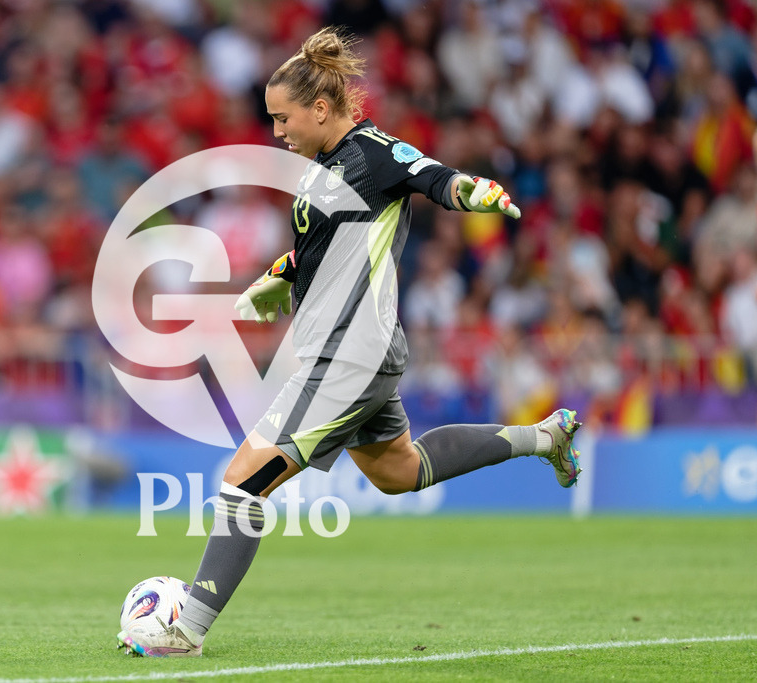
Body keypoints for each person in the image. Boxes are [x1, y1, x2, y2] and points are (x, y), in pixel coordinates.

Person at [117, 28, 582, 658]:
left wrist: (476, 193)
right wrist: (277, 279)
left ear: (321, 109)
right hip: (344, 351)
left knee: (241, 484)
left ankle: (186, 629)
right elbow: (323, 253)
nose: (277, 132)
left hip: (351, 354)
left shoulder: (372, 151)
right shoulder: (319, 178)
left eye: (283, 118)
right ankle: (545, 436)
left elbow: (433, 177)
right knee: (400, 470)